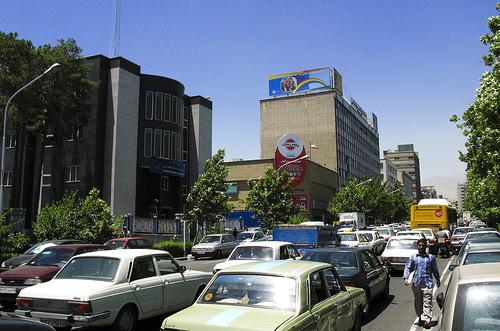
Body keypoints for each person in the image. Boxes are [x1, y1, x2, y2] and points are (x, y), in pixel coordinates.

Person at [403, 238, 440, 329]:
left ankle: (426, 319)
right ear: (417, 246)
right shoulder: (413, 257)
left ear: (425, 246)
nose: (421, 247)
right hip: (416, 283)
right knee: (418, 301)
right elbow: (408, 267)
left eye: (423, 245)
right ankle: (420, 317)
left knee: (427, 301)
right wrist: (406, 278)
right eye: (420, 245)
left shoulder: (430, 257)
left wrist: (438, 279)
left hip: (427, 283)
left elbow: (435, 269)